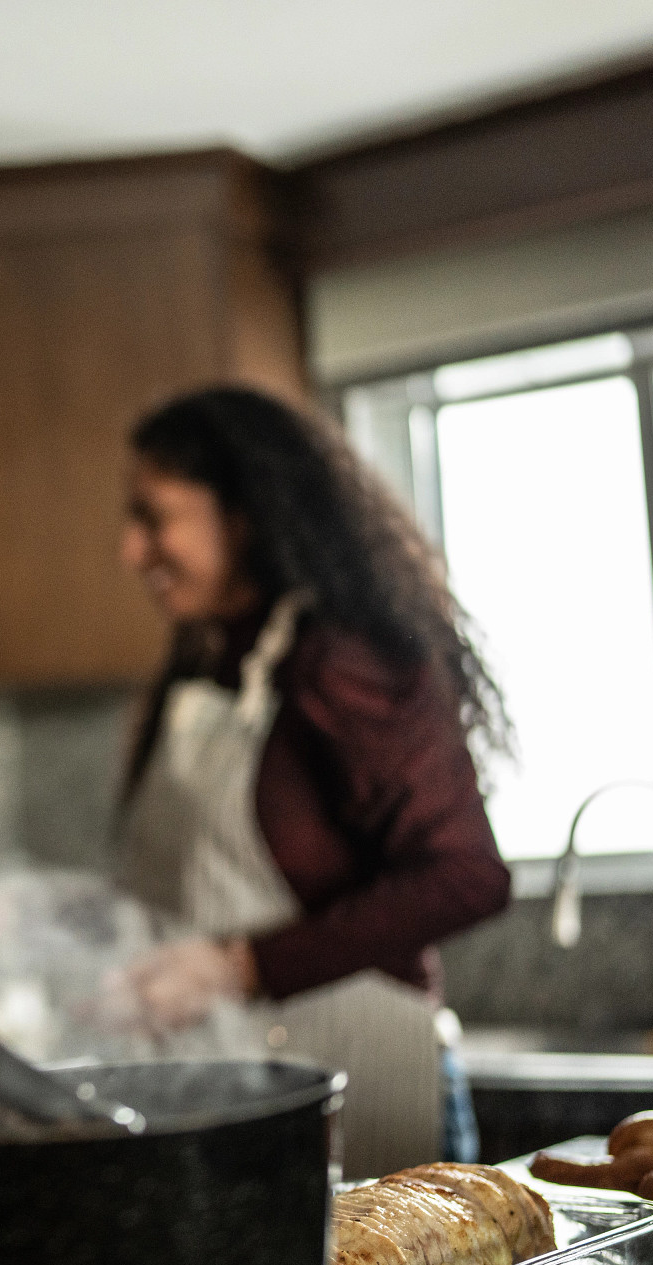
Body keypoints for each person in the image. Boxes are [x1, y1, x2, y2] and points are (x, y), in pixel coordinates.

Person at [113, 385, 511, 1177]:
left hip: (369, 1084)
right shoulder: (210, 661)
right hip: (230, 1099)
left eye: (153, 516)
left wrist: (239, 968)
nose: (130, 551)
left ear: (245, 514)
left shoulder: (342, 661)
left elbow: (468, 876)